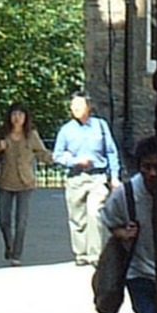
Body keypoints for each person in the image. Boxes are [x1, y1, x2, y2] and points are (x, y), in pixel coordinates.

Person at [52, 91, 120, 266]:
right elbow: (57, 156)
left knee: (94, 212)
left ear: (88, 107)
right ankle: (81, 253)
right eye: (73, 106)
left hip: (97, 177)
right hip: (76, 177)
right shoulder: (66, 130)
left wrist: (115, 176)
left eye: (79, 105)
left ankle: (95, 255)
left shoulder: (100, 126)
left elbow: (111, 151)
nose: (76, 109)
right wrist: (75, 161)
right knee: (77, 218)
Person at [100, 134, 157, 313]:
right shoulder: (125, 194)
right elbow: (108, 219)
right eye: (146, 167)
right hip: (139, 272)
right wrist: (122, 233)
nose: (152, 173)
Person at [0, 102, 54, 265]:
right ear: (9, 117)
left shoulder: (31, 135)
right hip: (5, 181)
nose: (17, 118)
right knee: (3, 219)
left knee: (21, 221)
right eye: (14, 114)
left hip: (25, 182)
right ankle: (9, 245)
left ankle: (17, 254)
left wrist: (58, 157)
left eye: (21, 115)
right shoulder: (2, 133)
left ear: (25, 118)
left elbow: (42, 153)